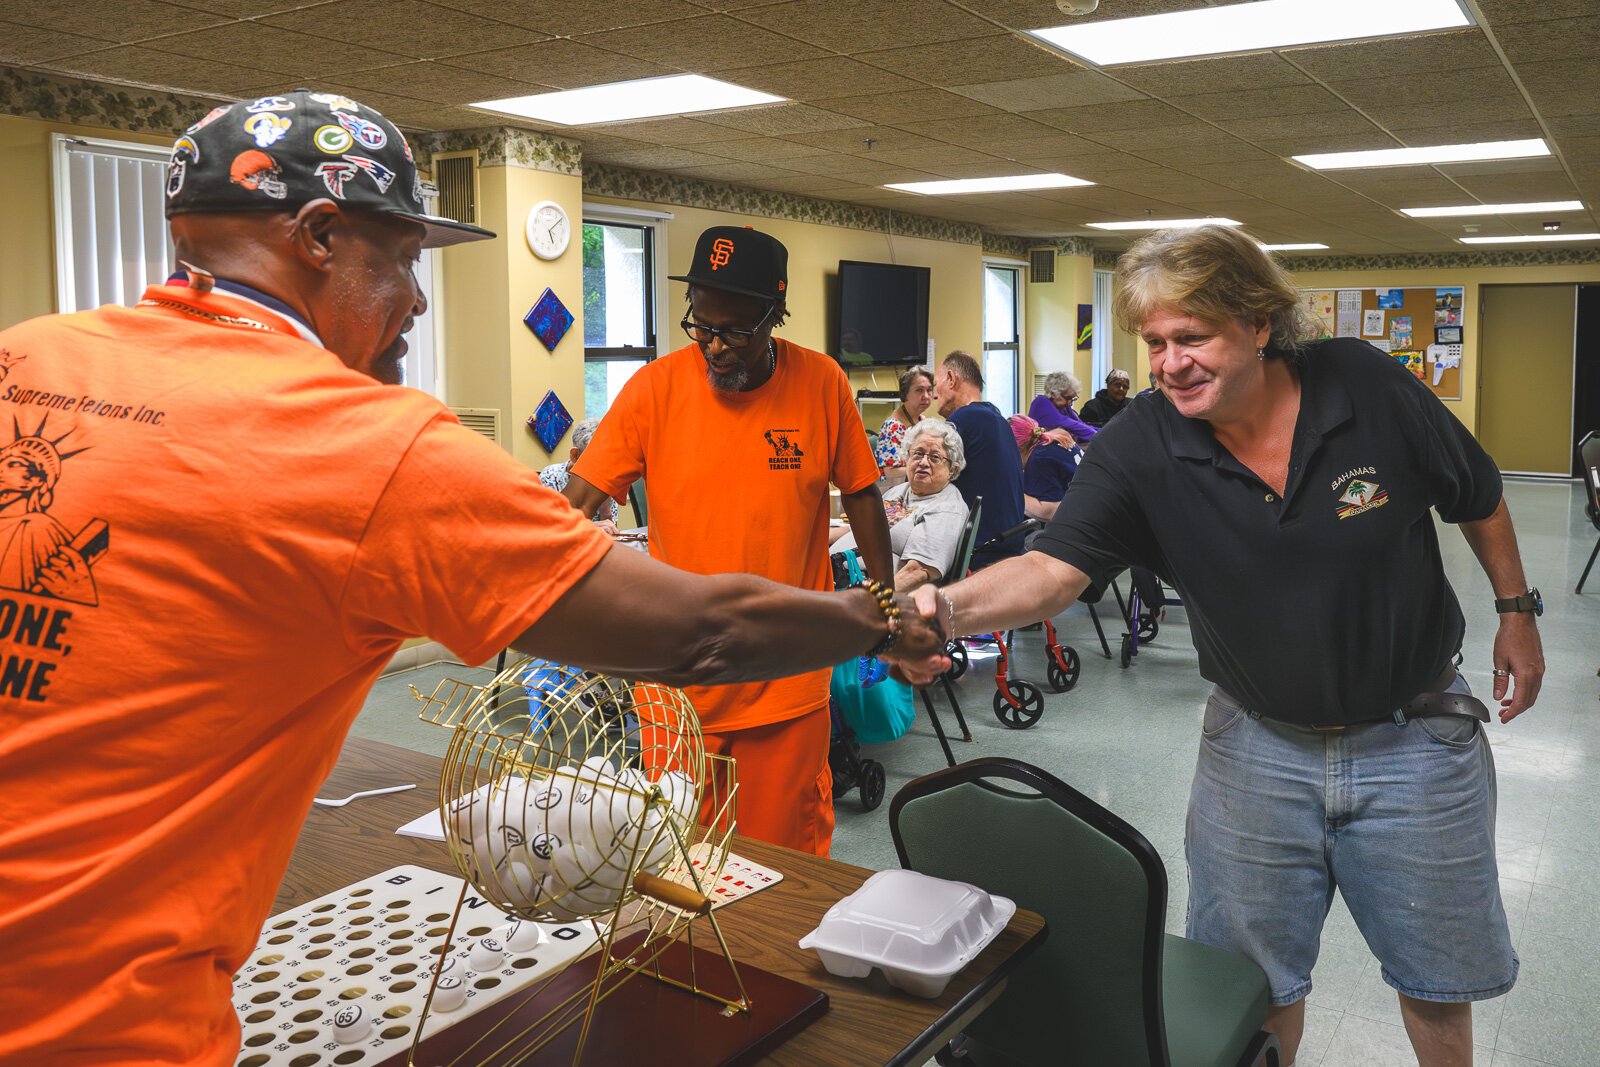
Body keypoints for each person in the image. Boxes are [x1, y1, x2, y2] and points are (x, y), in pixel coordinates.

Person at [0, 92, 940, 1067]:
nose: (415, 301)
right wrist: (880, 621)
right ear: (319, 235)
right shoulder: (362, 444)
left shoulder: (32, 358)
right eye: (403, 259)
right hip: (89, 1017)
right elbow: (694, 632)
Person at [890, 224, 1543, 1067]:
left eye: (1192, 336)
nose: (1169, 362)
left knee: (1435, 990)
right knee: (1253, 994)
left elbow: (1478, 493)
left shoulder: (1365, 386)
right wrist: (940, 608)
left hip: (1414, 739)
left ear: (1260, 324)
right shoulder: (1139, 445)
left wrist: (1516, 610)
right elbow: (1050, 572)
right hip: (1256, 751)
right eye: (1155, 342)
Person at [560, 224, 894, 860]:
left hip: (787, 679)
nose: (714, 346)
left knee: (784, 864)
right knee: (676, 862)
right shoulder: (654, 390)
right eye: (702, 326)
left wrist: (885, 605)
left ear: (774, 316)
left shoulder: (821, 384)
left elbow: (862, 492)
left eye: (735, 332)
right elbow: (575, 505)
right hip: (677, 689)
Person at [834, 417, 968, 590]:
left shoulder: (947, 508)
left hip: (861, 591)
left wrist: (873, 600)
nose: (923, 462)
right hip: (838, 577)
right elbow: (856, 529)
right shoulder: (901, 490)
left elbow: (916, 571)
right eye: (918, 453)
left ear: (952, 470)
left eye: (934, 457)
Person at [933, 351, 1026, 568]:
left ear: (951, 378)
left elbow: (929, 478)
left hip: (979, 552)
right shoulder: (998, 419)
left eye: (936, 384)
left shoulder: (963, 419)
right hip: (1010, 544)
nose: (934, 394)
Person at [538, 416, 619, 531]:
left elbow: (612, 530)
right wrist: (587, 527)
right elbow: (547, 530)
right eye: (594, 460)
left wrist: (605, 509)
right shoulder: (551, 477)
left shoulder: (607, 478)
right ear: (575, 455)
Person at [1008, 414, 1081, 524]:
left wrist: (1010, 490)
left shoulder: (1039, 458)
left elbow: (1050, 512)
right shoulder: (1052, 441)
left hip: (1081, 520)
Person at [874, 366, 934, 481]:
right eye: (919, 390)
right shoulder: (892, 428)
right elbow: (890, 473)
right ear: (905, 394)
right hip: (894, 491)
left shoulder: (923, 422)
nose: (926, 396)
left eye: (929, 390)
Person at [1027, 370, 1098, 444]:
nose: (1070, 403)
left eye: (1072, 398)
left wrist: (1103, 433)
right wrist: (1099, 437)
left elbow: (1081, 425)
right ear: (1053, 393)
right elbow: (1069, 424)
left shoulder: (1063, 407)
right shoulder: (1041, 403)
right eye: (1068, 398)